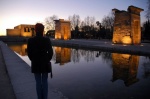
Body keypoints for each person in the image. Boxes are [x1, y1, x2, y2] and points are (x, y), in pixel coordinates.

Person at [27, 23, 53, 99]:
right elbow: (51, 52)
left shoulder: (30, 40)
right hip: (45, 63)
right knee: (45, 81)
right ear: (43, 30)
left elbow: (29, 53)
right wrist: (47, 59)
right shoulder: (47, 40)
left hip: (35, 63)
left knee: (38, 82)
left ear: (35, 30)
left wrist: (33, 59)